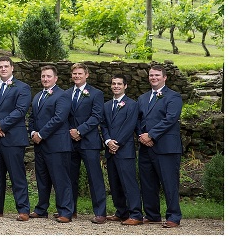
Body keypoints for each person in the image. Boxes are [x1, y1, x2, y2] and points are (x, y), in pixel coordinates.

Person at [0, 56, 30, 221]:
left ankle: (23, 209)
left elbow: (20, 110)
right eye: (0, 67)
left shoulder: (22, 87)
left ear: (12, 68)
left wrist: (1, 125)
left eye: (6, 66)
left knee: (17, 175)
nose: (3, 69)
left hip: (13, 138)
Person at [137, 66, 183, 228]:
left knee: (169, 183)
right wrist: (142, 136)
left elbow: (170, 119)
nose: (153, 77)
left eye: (157, 75)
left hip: (166, 148)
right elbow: (137, 119)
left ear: (164, 77)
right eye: (151, 75)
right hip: (146, 147)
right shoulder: (142, 98)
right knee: (148, 183)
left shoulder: (173, 96)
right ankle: (152, 215)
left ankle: (173, 216)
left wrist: (151, 135)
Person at [28, 65, 73, 223]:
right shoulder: (38, 96)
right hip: (40, 145)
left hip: (57, 145)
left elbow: (59, 118)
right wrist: (33, 132)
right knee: (42, 179)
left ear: (56, 78)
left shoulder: (63, 95)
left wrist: (41, 134)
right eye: (43, 76)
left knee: (60, 180)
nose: (45, 79)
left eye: (48, 76)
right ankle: (41, 209)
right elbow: (32, 117)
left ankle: (65, 211)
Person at [101, 74, 143, 225]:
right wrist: (108, 141)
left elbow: (130, 126)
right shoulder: (106, 105)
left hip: (124, 150)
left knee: (128, 183)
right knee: (115, 183)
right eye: (114, 83)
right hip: (110, 149)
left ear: (125, 86)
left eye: (119, 84)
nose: (116, 86)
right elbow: (103, 125)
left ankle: (136, 214)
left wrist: (117, 143)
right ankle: (121, 212)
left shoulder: (132, 105)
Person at [67, 63, 106, 223]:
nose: (77, 76)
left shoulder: (96, 93)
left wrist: (80, 131)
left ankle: (100, 213)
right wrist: (71, 132)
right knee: (70, 178)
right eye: (74, 74)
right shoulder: (66, 93)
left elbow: (97, 116)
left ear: (86, 75)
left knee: (94, 178)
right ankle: (70, 210)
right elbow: (62, 115)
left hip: (89, 142)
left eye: (80, 73)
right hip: (70, 141)